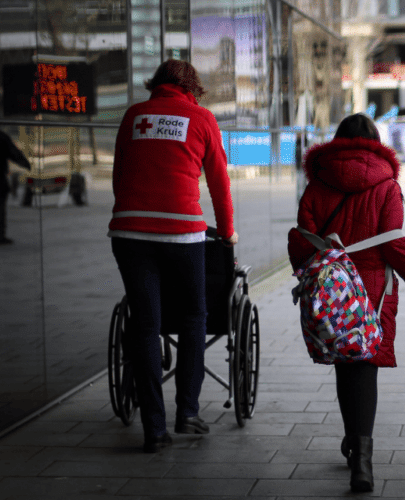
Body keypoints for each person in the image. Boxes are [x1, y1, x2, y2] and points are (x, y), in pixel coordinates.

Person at [287, 113, 405, 493]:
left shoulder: (317, 183)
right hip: (373, 288)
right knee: (365, 363)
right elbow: (393, 242)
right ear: (376, 144)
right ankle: (362, 457)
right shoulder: (387, 186)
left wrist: (309, 274)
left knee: (345, 362)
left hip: (332, 289)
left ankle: (355, 446)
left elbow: (301, 239)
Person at [108, 59, 238, 454]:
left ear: (155, 85)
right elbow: (219, 183)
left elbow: (119, 176)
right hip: (182, 233)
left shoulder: (134, 116)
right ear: (192, 88)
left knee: (146, 325)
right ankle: (188, 412)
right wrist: (227, 231)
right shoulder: (201, 119)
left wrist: (135, 210)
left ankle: (154, 429)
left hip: (129, 231)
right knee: (194, 316)